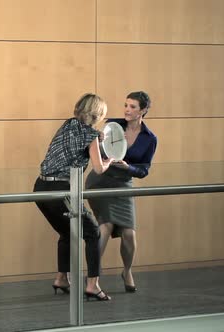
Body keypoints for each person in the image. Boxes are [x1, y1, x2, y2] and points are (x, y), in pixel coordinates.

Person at [34, 93, 114, 301]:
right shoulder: (91, 136)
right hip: (61, 191)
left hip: (40, 187)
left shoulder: (68, 124)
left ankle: (61, 278)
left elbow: (76, 142)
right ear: (98, 114)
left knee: (66, 231)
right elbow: (98, 168)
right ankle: (93, 285)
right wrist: (110, 160)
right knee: (93, 233)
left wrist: (97, 138)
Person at [85, 91, 158, 293]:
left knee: (128, 233)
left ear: (143, 111)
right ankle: (93, 277)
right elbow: (95, 150)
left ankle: (127, 271)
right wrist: (99, 141)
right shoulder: (112, 125)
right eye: (126, 105)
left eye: (133, 107)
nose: (127, 110)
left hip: (123, 182)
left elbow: (143, 170)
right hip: (100, 180)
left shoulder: (149, 138)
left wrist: (129, 168)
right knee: (106, 226)